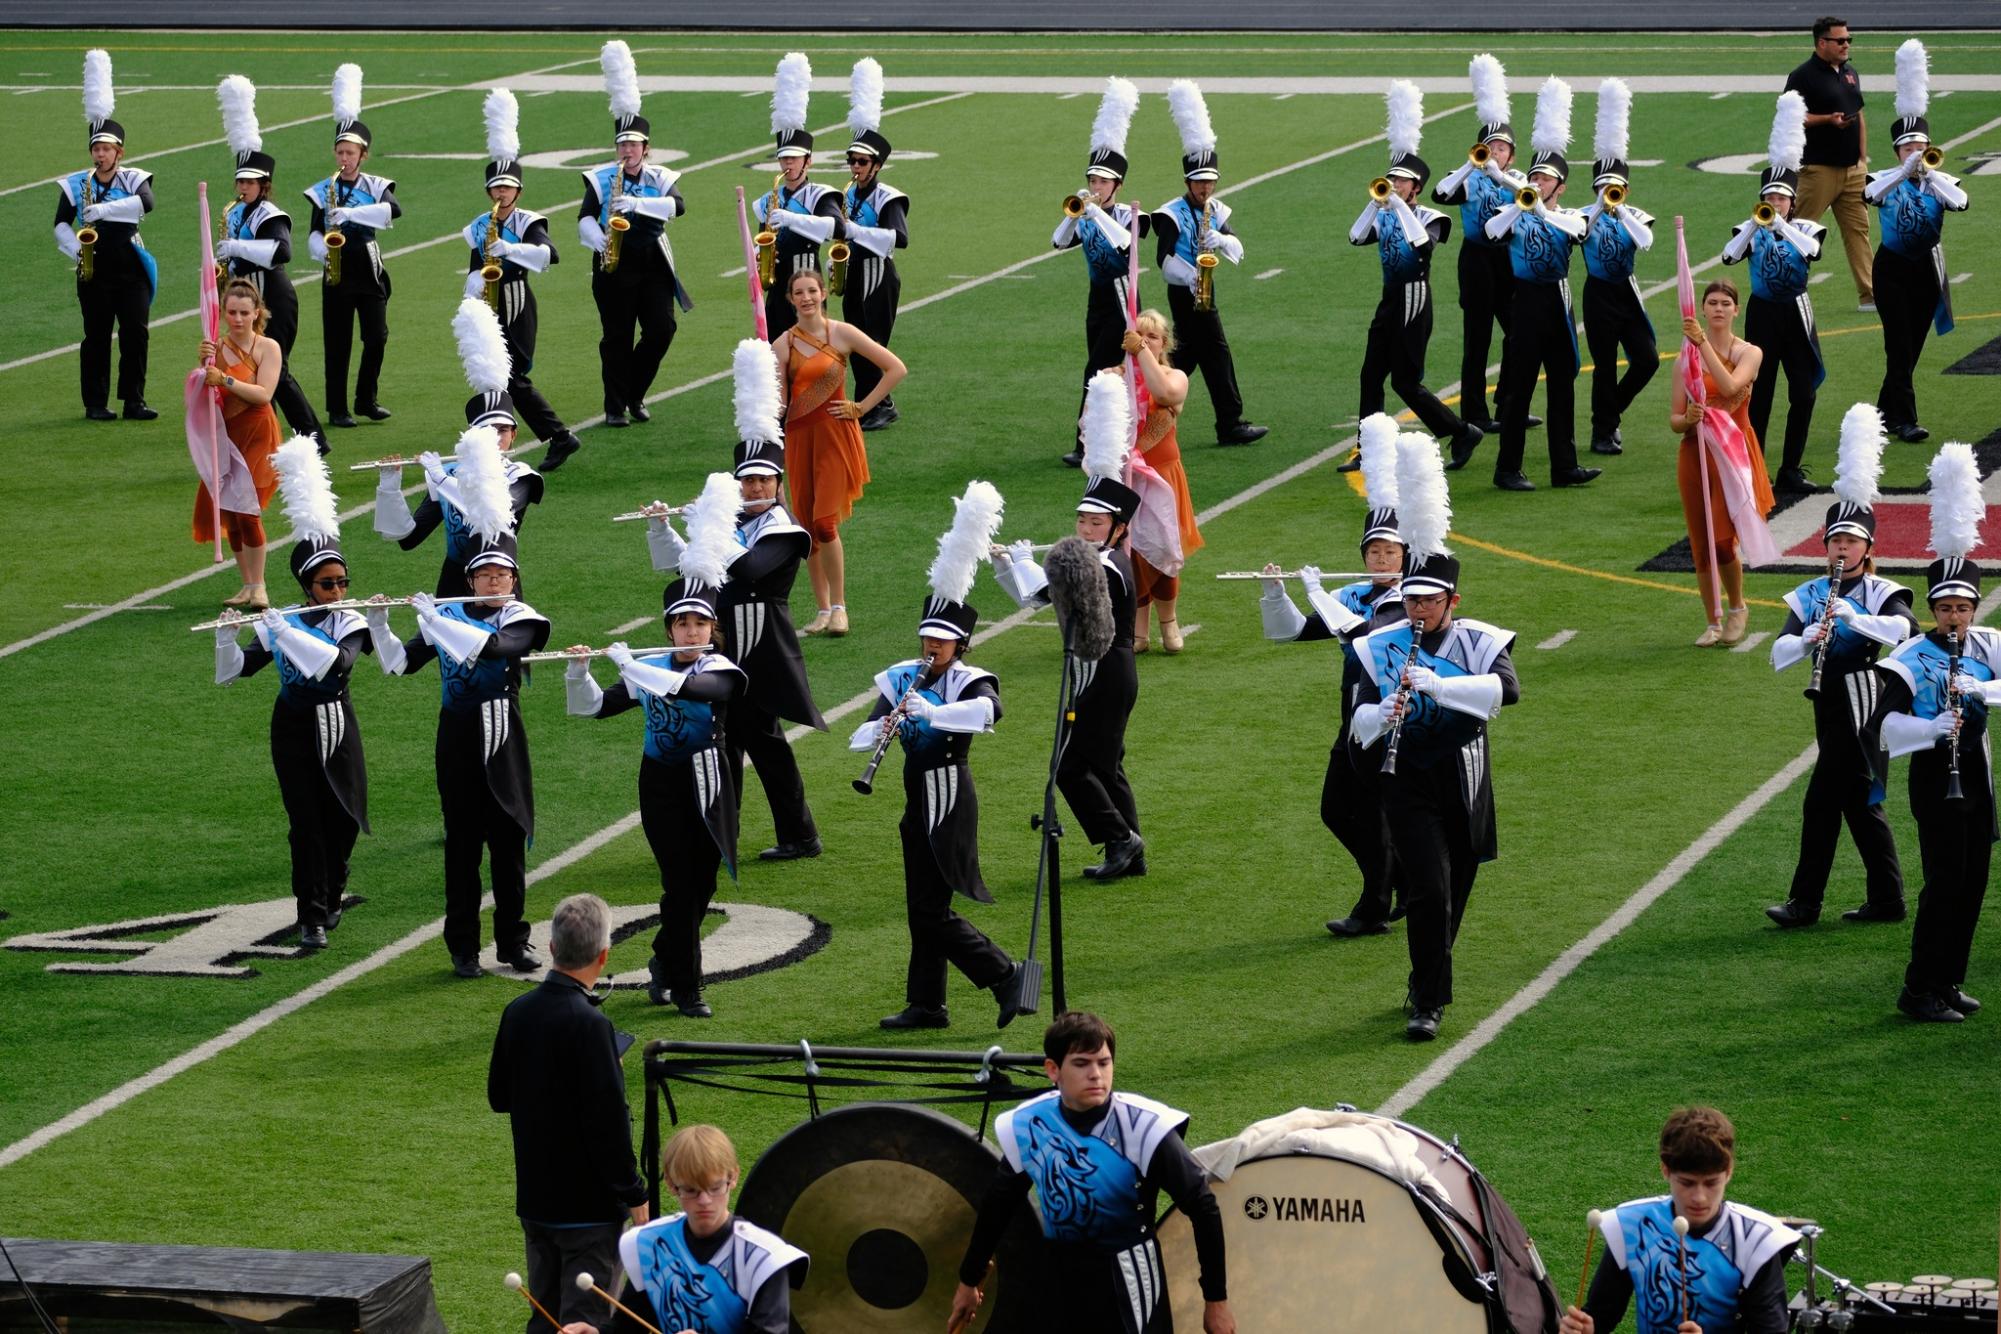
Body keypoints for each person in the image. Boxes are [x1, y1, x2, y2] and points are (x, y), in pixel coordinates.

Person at [1350, 434, 1520, 1041]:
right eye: (1411, 600)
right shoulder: (1379, 645)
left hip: (1466, 775)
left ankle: (1429, 969)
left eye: (1429, 601)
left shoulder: (1478, 639)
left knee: (1457, 885)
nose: (1417, 611)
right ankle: (1429, 999)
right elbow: (1358, 723)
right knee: (1427, 885)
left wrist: (1437, 685)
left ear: (1452, 599)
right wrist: (1386, 713)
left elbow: (1504, 694)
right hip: (1407, 778)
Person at [376, 438, 549, 979]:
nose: (494, 583)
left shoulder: (523, 618)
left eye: (502, 575)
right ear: (469, 580)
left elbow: (490, 649)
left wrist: (435, 620)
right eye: (484, 576)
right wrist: (382, 625)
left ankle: (514, 942)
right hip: (455, 738)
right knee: (462, 847)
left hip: (503, 737)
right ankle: (463, 948)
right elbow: (400, 665)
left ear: (513, 580)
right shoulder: (448, 617)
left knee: (508, 843)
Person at [850, 483, 1021, 1030]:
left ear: (960, 647)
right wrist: (886, 723)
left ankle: (1005, 974)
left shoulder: (972, 680)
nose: (931, 649)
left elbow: (991, 715)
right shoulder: (903, 674)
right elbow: (863, 732)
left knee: (931, 909)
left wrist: (932, 714)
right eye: (927, 639)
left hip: (950, 798)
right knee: (919, 908)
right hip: (914, 798)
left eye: (941, 644)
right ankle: (928, 1004)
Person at [650, 341, 827, 863]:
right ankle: (719, 828)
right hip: (718, 647)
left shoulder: (785, 529)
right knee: (719, 743)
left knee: (764, 746)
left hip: (762, 651)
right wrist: (666, 528)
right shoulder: (731, 522)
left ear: (776, 483)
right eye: (745, 480)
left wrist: (713, 524)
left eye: (762, 480)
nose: (753, 486)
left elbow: (748, 569)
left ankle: (800, 834)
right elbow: (684, 570)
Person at [951, 1012, 1234, 1334]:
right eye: (1082, 1064)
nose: (1096, 1075)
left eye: (1104, 1062)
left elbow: (1203, 1207)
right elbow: (998, 1205)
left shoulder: (1143, 1125)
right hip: (1059, 1276)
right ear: (1053, 1070)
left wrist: (1216, 1301)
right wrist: (968, 1281)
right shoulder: (1032, 1123)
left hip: (1129, 1280)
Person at [212, 438, 388, 949]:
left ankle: (333, 892)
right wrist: (228, 641)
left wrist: (285, 631)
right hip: (291, 727)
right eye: (328, 583)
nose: (338, 591)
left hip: (337, 726)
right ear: (307, 585)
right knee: (306, 824)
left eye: (342, 581)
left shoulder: (349, 621)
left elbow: (337, 665)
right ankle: (311, 915)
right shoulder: (282, 621)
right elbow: (239, 672)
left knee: (346, 820)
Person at [569, 515, 745, 1019]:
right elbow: (595, 708)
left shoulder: (720, 670)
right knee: (681, 885)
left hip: (711, 783)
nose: (690, 632)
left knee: (702, 886)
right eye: (681, 624)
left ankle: (665, 961)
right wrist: (580, 674)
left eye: (699, 624)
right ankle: (689, 989)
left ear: (713, 630)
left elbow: (693, 690)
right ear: (669, 628)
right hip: (662, 785)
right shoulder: (652, 669)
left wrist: (632, 667)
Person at [1765, 403, 1915, 930]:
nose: (1842, 548)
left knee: (1822, 802)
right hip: (1827, 699)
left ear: (1866, 547)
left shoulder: (1879, 589)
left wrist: (1854, 617)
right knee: (1857, 804)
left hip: (1862, 700)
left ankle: (1805, 903)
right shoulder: (1810, 591)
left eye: (1851, 541)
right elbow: (1778, 656)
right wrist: (1807, 635)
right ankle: (1889, 899)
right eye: (1835, 540)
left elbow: (1905, 632)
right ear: (1824, 545)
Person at [992, 371, 1146, 881]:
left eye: (1095, 524)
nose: (1084, 529)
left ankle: (1121, 840)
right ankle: (1128, 851)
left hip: (1105, 672)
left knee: (1070, 767)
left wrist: (1025, 564)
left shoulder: (1106, 565)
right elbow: (1039, 599)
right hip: (1102, 672)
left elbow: (1045, 593)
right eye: (1082, 521)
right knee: (1104, 767)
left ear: (1118, 529)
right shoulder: (1094, 558)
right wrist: (1008, 564)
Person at [1261, 413, 1409, 937]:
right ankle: (1390, 883)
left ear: (1406, 557)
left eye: (1390, 551)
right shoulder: (1354, 594)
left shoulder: (1404, 602)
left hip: (1392, 722)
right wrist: (1277, 595)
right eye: (1373, 552)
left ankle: (1379, 898)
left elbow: (1363, 635)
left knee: (1370, 809)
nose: (1381, 558)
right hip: (1354, 721)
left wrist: (1318, 593)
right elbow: (1293, 634)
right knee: (1339, 809)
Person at [488, 893, 652, 1334]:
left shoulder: (517, 1012)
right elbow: (609, 1126)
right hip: (590, 1214)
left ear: (553, 948)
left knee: (543, 1322)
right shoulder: (592, 1026)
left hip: (537, 1205)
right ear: (604, 956)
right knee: (585, 1325)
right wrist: (636, 1195)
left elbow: (498, 1096)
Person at [1868, 442, 1991, 1024]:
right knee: (1944, 885)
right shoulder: (1910, 655)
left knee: (1972, 886)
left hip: (1980, 782)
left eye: (1963, 605)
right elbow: (1884, 726)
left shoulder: (1988, 644)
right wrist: (1932, 724)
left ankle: (1948, 982)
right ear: (1934, 609)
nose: (1954, 615)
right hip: (1934, 781)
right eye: (1944, 606)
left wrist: (1981, 693)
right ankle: (1918, 988)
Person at [1560, 1107, 1800, 1334]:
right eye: (1686, 1183)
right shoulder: (1632, 1225)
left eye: (1711, 1183)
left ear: (1728, 1172)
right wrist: (1585, 1328)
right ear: (1666, 1171)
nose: (1699, 1197)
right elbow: (1601, 1315)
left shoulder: (1755, 1239)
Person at [557, 1124, 806, 1334]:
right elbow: (632, 1326)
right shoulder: (652, 1244)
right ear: (672, 1185)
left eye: (715, 1187)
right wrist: (598, 1332)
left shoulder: (763, 1258)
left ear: (733, 1177)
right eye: (691, 1190)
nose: (705, 1201)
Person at [373, 299, 546, 599]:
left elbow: (493, 515)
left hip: (497, 578)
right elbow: (408, 538)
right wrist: (390, 486)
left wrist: (442, 479)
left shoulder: (523, 477)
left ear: (514, 435)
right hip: (453, 579)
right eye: (487, 431)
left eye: (503, 430)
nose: (496, 438)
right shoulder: (452, 473)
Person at [1350, 82, 1482, 468]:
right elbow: (1356, 236)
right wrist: (1378, 205)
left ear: (1416, 187)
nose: (1394, 185)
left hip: (1414, 301)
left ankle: (1461, 431)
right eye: (1392, 179)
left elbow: (1421, 244)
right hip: (1390, 298)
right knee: (1370, 375)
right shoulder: (1387, 212)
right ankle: (1368, 449)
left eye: (1401, 181)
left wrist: (1399, 206)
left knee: (1405, 382)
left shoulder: (1430, 217)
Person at [772, 267, 904, 636]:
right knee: (808, 528)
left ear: (823, 293)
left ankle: (841, 608)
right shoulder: (782, 345)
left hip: (835, 436)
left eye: (812, 290)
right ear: (790, 299)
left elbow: (895, 368)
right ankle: (822, 609)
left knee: (826, 523)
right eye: (798, 292)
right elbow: (780, 402)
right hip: (799, 439)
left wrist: (861, 407)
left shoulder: (841, 332)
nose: (806, 298)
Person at [1484, 77, 1598, 493]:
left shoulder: (1568, 215)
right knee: (1518, 388)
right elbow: (1494, 232)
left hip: (1558, 300)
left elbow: (1580, 231)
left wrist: (1540, 209)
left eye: (1547, 179)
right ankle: (1507, 468)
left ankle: (1563, 466)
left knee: (1563, 382)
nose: (1538, 182)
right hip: (1525, 302)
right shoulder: (1513, 209)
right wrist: (1521, 203)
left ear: (1561, 186)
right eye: (1535, 176)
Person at [466, 89, 585, 471]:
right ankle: (506, 433)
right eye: (496, 188)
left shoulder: (526, 221)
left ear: (518, 190)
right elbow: (473, 263)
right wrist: (471, 293)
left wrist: (510, 250)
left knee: (512, 376)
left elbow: (549, 255)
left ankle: (558, 436)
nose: (501, 193)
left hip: (516, 298)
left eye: (507, 187)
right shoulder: (481, 225)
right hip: (488, 300)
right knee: (494, 375)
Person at [1865, 45, 1971, 445]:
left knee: (1912, 348)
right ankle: (1904, 420)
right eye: (1907, 149)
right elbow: (1871, 196)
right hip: (1891, 266)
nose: (1914, 154)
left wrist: (1927, 175)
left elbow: (1961, 202)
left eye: (1919, 148)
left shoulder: (1940, 182)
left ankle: (1881, 412)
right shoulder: (1882, 178)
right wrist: (1903, 171)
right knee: (1898, 343)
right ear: (1896, 151)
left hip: (1927, 267)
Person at [582, 40, 690, 431]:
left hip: (652, 260)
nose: (627, 149)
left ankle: (635, 392)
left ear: (647, 147)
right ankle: (614, 407)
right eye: (622, 144)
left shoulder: (661, 177)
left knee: (662, 329)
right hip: (614, 262)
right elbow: (583, 217)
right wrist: (598, 240)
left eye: (634, 144)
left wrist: (636, 205)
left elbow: (677, 207)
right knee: (617, 337)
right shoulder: (601, 177)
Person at [214, 75, 325, 454]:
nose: (242, 187)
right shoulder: (237, 212)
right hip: (249, 296)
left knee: (277, 372)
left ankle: (313, 439)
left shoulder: (270, 214)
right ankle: (272, 439)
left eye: (249, 182)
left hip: (274, 297)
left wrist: (237, 247)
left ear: (264, 184)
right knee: (262, 372)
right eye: (239, 181)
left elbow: (282, 253)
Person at [1153, 79, 1266, 448]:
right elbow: (1163, 260)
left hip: (1206, 286)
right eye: (1200, 183)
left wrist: (1221, 240)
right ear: (1187, 180)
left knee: (1191, 354)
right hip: (1185, 291)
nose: (1206, 189)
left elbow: (1239, 250)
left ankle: (1154, 404)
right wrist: (1190, 277)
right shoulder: (1170, 214)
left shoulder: (1215, 209)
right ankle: (1229, 422)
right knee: (1212, 351)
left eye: (1211, 183)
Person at [1723, 93, 1826, 496]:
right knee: (1759, 394)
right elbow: (1730, 257)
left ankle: (1791, 468)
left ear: (1793, 201)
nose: (1775, 204)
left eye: (1781, 198)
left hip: (1797, 315)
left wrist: (1780, 225)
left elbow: (1811, 253)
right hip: (1762, 314)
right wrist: (1755, 225)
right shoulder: (1748, 228)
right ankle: (1754, 464)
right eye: (1770, 198)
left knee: (1803, 392)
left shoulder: (1808, 228)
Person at [1431, 53, 1532, 437]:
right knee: (1477, 340)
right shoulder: (1469, 179)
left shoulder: (1518, 178)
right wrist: (1471, 166)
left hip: (1509, 259)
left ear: (1512, 154)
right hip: (1476, 260)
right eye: (1490, 147)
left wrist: (1498, 175)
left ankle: (1509, 404)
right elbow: (1441, 194)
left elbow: (1528, 196)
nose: (1497, 153)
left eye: (1503, 148)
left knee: (1518, 334)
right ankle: (1474, 413)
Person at [1669, 281, 1772, 648]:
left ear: (1736, 310)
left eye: (1725, 303)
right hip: (1695, 452)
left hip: (1732, 452)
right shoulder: (1685, 358)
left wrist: (1700, 345)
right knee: (1700, 542)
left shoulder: (1750, 353)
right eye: (1711, 302)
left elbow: (1729, 388)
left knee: (1724, 540)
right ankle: (1711, 618)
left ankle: (1737, 607)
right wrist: (1691, 417)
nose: (1717, 309)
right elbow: (1675, 419)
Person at [55, 50, 156, 423]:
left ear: (119, 152)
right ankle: (95, 403)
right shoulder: (76, 183)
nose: (100, 154)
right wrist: (76, 251)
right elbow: (60, 223)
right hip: (94, 269)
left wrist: (104, 210)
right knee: (96, 337)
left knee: (136, 333)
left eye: (106, 149)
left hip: (130, 265)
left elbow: (145, 205)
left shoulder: (133, 177)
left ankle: (134, 400)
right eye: (96, 149)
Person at [1054, 76, 1145, 468]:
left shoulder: (1128, 214)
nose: (1094, 185)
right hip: (1097, 299)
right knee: (1099, 366)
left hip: (1124, 296)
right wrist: (1080, 212)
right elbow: (1058, 241)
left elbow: (1126, 244)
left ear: (1117, 185)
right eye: (1091, 180)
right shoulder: (1087, 212)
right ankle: (1102, 435)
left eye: (1102, 181)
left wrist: (1096, 212)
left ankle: (1087, 440)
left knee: (1103, 368)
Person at [305, 64, 400, 430]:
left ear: (363, 155)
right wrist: (322, 250)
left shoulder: (376, 185)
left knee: (376, 336)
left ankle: (366, 398)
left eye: (351, 153)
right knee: (338, 342)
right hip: (336, 271)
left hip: (369, 267)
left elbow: (394, 209)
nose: (344, 159)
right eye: (340, 152)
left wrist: (353, 212)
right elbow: (314, 231)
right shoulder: (322, 188)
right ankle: (337, 408)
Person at [195, 279, 285, 611]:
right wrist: (202, 369)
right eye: (231, 312)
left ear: (256, 313)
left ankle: (260, 586)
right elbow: (203, 397)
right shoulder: (215, 349)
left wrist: (225, 379)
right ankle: (247, 584)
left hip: (258, 432)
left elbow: (264, 394)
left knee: (248, 510)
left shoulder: (267, 347)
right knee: (231, 513)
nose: (237, 319)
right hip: (227, 433)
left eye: (244, 312)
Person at [1580, 79, 1656, 459]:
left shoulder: (1635, 214)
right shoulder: (1581, 214)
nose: (1611, 192)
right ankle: (1602, 431)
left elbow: (1645, 241)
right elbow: (1579, 235)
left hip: (1626, 290)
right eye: (1605, 187)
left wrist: (1621, 209)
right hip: (1597, 293)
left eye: (1617, 187)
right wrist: (1598, 206)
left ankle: (1610, 415)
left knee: (1647, 360)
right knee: (1605, 364)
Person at [1122, 314, 1203, 654]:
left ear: (1164, 343)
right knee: (1133, 553)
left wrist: (1140, 352)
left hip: (1163, 475)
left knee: (1164, 549)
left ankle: (1168, 623)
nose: (1147, 340)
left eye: (1153, 336)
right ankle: (1138, 629)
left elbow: (1163, 392)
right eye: (1140, 335)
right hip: (1128, 474)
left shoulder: (1175, 376)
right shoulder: (1119, 378)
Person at [755, 51, 846, 342]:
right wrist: (760, 255)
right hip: (778, 283)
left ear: (808, 161)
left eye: (794, 159)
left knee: (811, 351)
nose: (788, 165)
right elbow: (763, 237)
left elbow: (836, 228)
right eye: (784, 159)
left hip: (808, 281)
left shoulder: (819, 195)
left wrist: (793, 218)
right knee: (775, 355)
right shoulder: (770, 197)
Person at [1784, 17, 1872, 312]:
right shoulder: (1802, 76)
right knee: (1799, 231)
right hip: (1818, 170)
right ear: (1822, 43)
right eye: (1841, 40)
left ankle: (1869, 294)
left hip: (1852, 170)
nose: (1847, 44)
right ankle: (1788, 289)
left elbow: (1858, 113)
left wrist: (1862, 156)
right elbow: (1792, 117)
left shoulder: (1850, 73)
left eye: (1849, 40)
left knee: (1858, 231)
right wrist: (1827, 120)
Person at [841, 57, 908, 432]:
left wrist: (854, 232)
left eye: (862, 161)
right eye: (852, 160)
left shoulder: (888, 197)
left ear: (877, 165)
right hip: (853, 270)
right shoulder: (849, 193)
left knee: (872, 342)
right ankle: (876, 402)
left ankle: (877, 404)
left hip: (877, 272)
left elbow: (899, 238)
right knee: (857, 342)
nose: (855, 167)